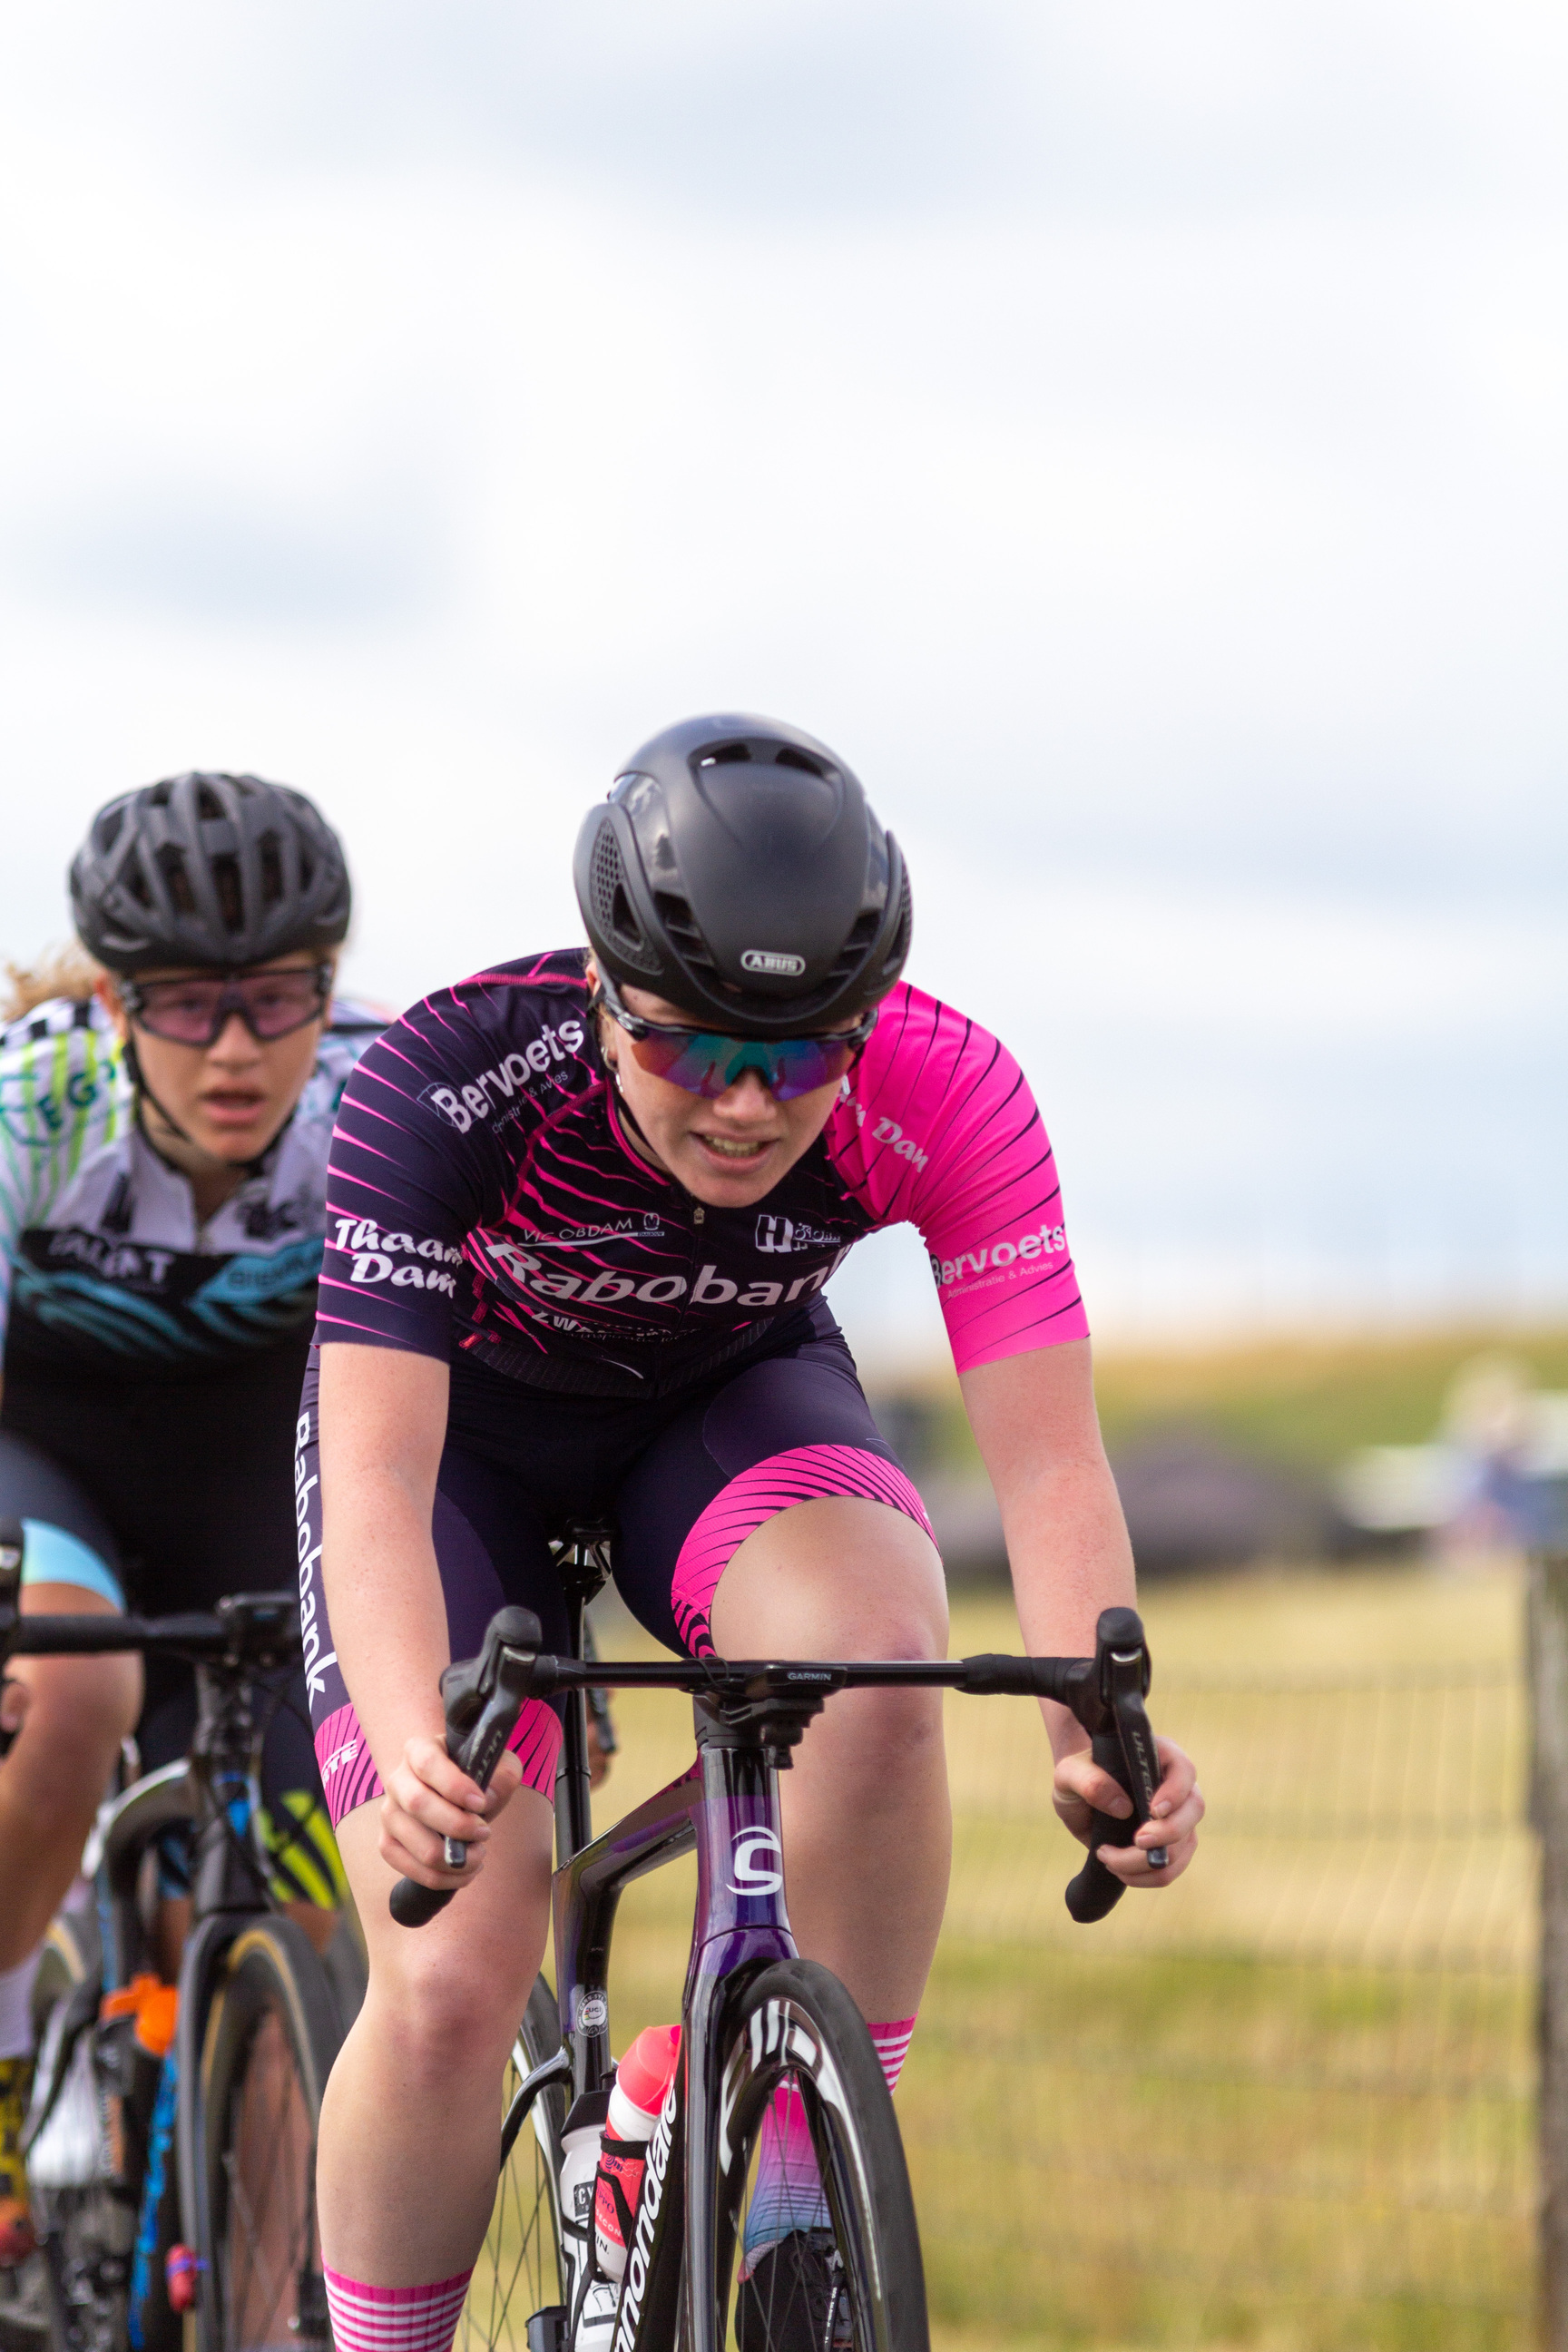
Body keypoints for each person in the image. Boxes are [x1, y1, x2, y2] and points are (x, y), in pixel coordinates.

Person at [301, 713, 1204, 2352]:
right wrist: (404, 1739)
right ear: (600, 993)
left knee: (876, 1650)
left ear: (863, 1024)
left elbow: (1054, 1466)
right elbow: (372, 1472)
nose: (741, 1102)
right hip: (459, 1458)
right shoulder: (444, 1076)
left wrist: (1098, 1727)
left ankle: (790, 2198)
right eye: (686, 1049)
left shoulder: (949, 1085)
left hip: (712, 1410)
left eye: (799, 1057)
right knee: (451, 1968)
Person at [0, 771, 382, 2273]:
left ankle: (267, 2301)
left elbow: (459, 1400)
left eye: (278, 999)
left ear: (325, 989)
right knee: (75, 1683)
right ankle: (13, 2035)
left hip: (250, 1483)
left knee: (302, 1931)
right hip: (50, 1464)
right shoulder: (32, 1108)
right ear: (112, 1000)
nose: (235, 1047)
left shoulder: (373, 1106)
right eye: (185, 1005)